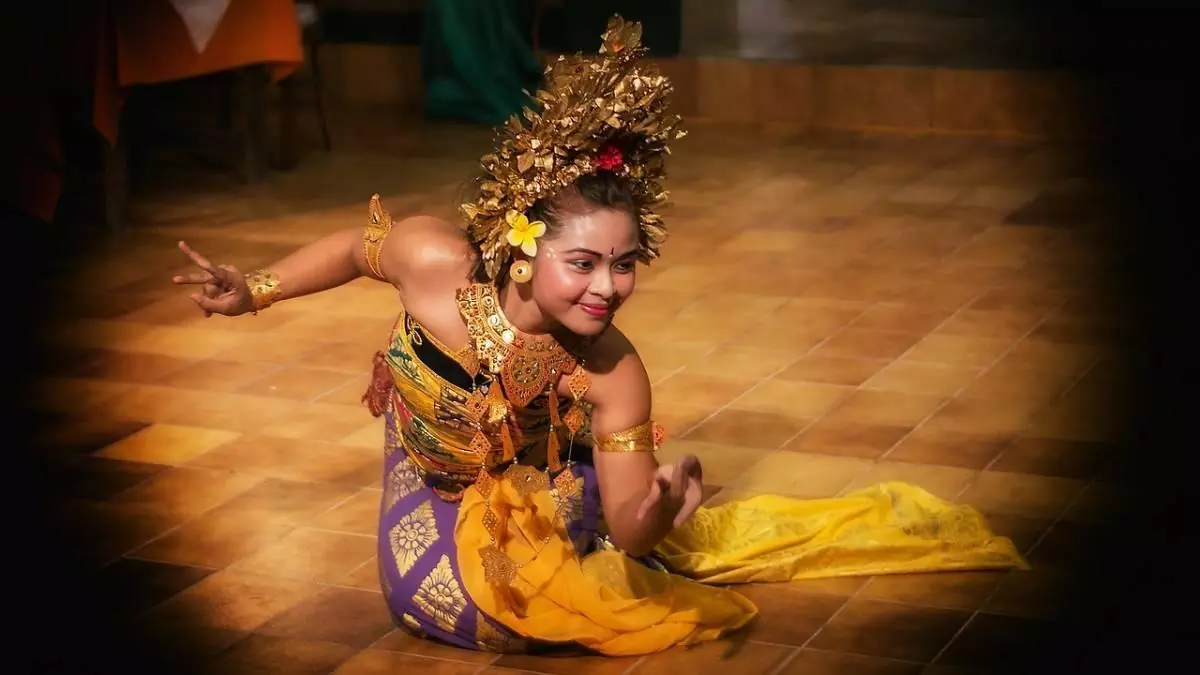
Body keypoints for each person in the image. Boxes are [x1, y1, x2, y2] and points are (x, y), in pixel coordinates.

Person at [172, 17, 1028, 657]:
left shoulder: (615, 372)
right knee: (465, 610)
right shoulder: (437, 264)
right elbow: (354, 248)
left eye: (625, 264)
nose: (608, 288)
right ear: (518, 245)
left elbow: (626, 517)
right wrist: (254, 289)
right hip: (428, 477)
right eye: (583, 262)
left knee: (578, 587)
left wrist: (654, 515)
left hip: (544, 479)